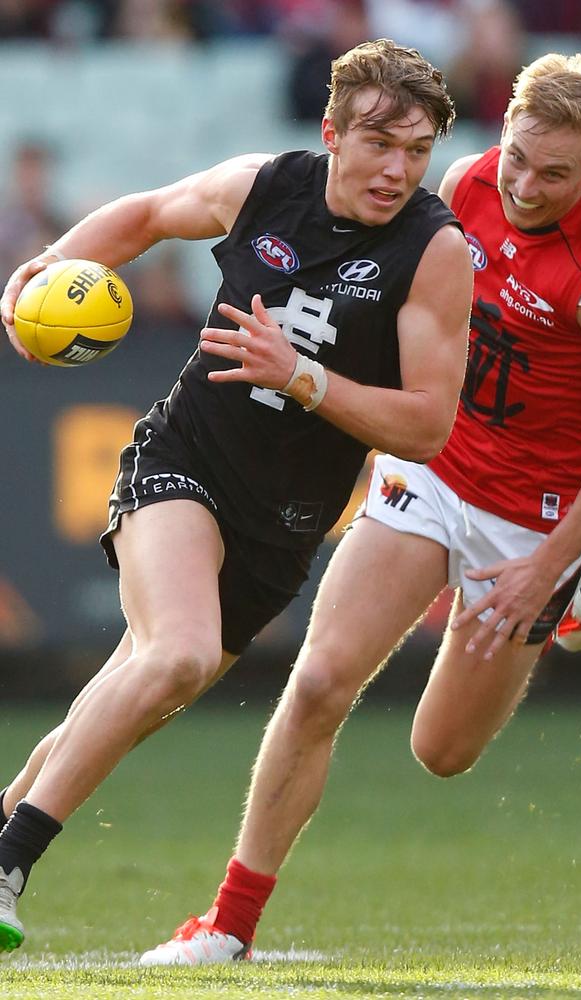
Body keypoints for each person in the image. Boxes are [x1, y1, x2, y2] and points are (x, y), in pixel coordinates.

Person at [133, 52, 581, 966]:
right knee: (322, 681)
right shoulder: (463, 183)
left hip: (534, 520)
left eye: (555, 174)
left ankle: (571, 590)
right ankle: (229, 927)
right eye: (518, 158)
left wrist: (545, 564)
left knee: (440, 751)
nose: (525, 186)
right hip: (438, 465)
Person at [0, 39, 472, 954]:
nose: (396, 169)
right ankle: (12, 863)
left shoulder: (433, 249)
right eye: (378, 143)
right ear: (332, 131)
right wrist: (38, 275)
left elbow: (425, 426)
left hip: (281, 531)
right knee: (172, 656)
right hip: (184, 463)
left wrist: (302, 378)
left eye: (416, 151)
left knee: (125, 698)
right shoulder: (264, 187)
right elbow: (143, 215)